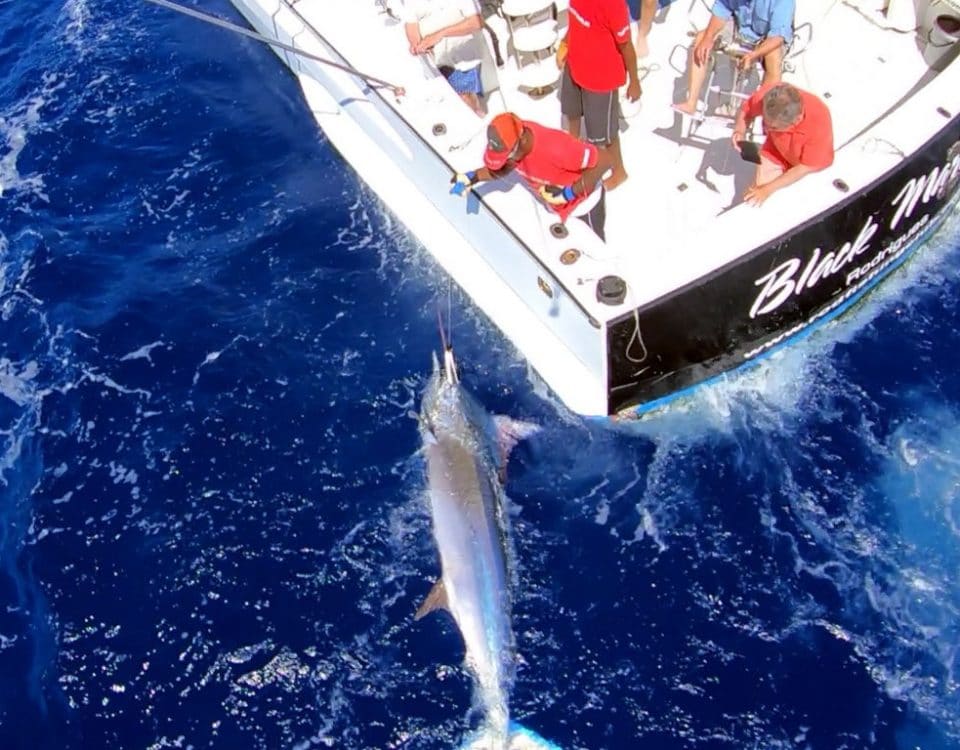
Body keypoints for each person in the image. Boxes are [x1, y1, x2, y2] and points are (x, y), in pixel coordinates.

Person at [450, 112, 614, 239]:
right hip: (555, 209)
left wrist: (567, 194)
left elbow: (605, 160)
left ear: (523, 140)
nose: (508, 161)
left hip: (583, 208)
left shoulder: (558, 148)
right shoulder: (515, 147)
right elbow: (503, 168)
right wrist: (473, 177)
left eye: (509, 156)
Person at [557, 0, 640, 191]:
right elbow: (576, 19)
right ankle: (575, 153)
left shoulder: (614, 5)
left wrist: (634, 82)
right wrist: (565, 43)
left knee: (605, 134)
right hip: (575, 63)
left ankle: (619, 171)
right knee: (572, 111)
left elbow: (626, 45)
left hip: (601, 78)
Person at [673, 0, 795, 117]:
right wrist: (708, 37)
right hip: (739, 28)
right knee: (701, 38)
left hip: (770, 38)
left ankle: (766, 116)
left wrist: (754, 55)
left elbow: (778, 36)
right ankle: (691, 103)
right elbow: (722, 9)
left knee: (773, 57)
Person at [732, 82, 833, 206]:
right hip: (776, 151)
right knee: (754, 196)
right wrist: (739, 130)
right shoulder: (770, 97)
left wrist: (767, 190)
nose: (767, 129)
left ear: (796, 120)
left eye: (773, 127)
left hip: (808, 166)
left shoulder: (819, 123)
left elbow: (804, 168)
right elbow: (746, 109)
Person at [402, 0, 486, 116]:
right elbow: (410, 23)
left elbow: (477, 22)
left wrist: (439, 35)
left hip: (461, 52)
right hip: (431, 56)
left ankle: (476, 112)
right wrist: (415, 43)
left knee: (465, 96)